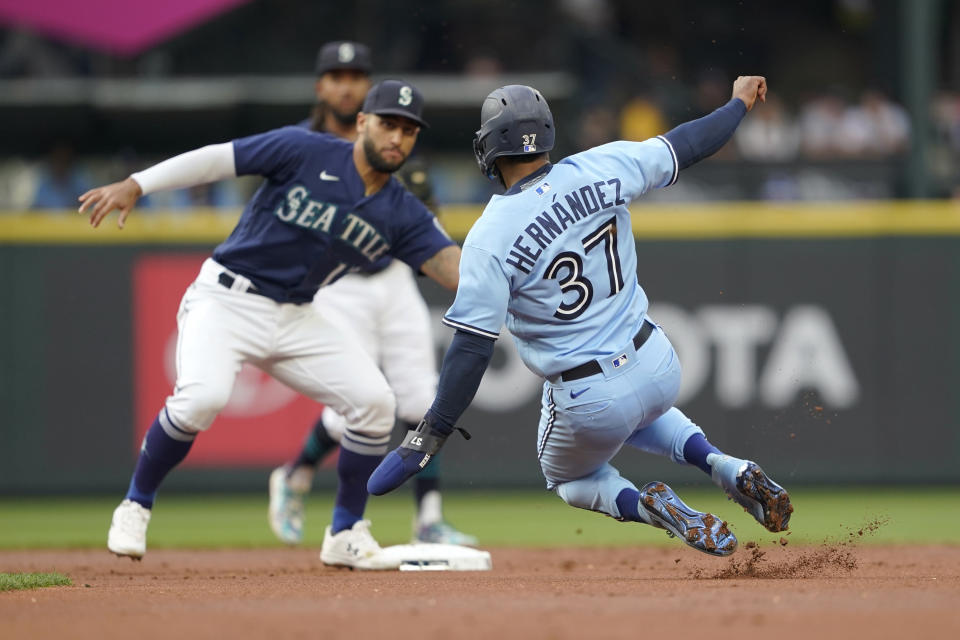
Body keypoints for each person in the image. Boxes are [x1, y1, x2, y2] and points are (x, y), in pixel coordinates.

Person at [367, 77, 794, 557]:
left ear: (488, 147)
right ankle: (724, 465)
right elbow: (691, 143)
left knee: (569, 478)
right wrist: (738, 103)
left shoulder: (489, 236)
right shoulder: (603, 164)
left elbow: (472, 346)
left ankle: (650, 506)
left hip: (587, 394)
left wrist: (435, 429)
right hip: (656, 361)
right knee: (642, 411)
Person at [78, 80, 462, 569]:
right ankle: (135, 504)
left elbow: (456, 273)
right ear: (363, 122)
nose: (398, 138)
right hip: (227, 297)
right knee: (202, 398)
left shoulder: (403, 210)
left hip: (297, 314)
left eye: (409, 131)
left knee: (374, 403)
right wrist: (138, 183)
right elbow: (217, 159)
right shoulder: (305, 149)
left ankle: (345, 531)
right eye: (389, 124)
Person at [267, 41, 477, 547]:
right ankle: (295, 475)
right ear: (321, 86)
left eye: (356, 74)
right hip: (336, 285)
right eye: (336, 75)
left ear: (367, 95)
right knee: (350, 411)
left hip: (392, 278)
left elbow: (428, 233)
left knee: (423, 400)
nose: (346, 83)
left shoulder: (394, 145)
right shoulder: (300, 143)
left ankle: (429, 517)